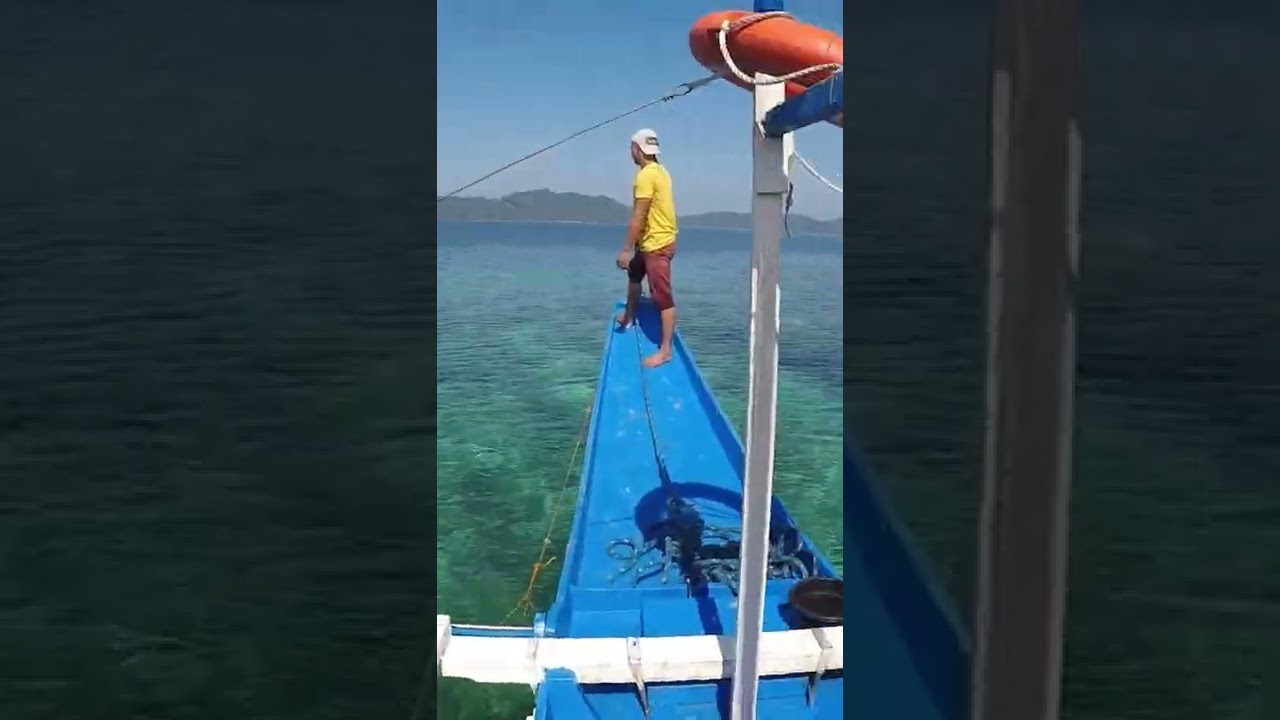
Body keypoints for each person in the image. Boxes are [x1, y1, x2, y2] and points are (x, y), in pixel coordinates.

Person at [615, 128, 678, 369]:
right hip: (650, 241)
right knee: (634, 274)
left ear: (638, 150)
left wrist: (625, 249)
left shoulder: (645, 176)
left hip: (657, 244)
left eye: (632, 147)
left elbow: (639, 215)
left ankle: (665, 351)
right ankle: (629, 317)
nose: (630, 152)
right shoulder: (660, 171)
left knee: (662, 297)